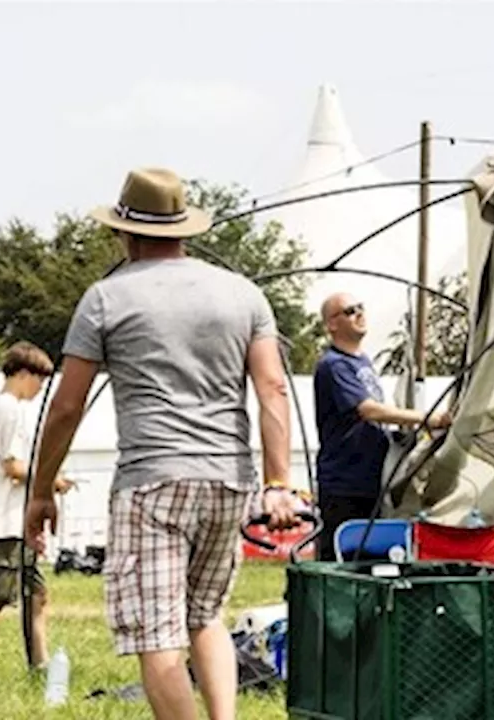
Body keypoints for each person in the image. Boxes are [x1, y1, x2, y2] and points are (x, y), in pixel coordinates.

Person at [25, 167, 301, 720]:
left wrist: (40, 490)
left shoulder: (105, 299)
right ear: (184, 228)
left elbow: (66, 406)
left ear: (124, 232)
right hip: (230, 480)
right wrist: (278, 484)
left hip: (152, 482)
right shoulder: (243, 294)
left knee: (158, 633)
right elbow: (271, 387)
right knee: (205, 616)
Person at [0, 341, 72, 687]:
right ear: (23, 374)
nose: (40, 388)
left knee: (36, 594)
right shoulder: (8, 409)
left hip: (12, 519)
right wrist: (51, 480)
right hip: (1, 519)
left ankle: (40, 663)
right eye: (39, 379)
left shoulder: (4, 408)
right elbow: (13, 466)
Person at [313, 292, 451, 560]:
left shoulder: (362, 362)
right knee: (342, 559)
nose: (359, 314)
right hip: (344, 483)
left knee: (374, 559)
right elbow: (369, 410)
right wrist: (428, 418)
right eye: (350, 311)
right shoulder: (334, 365)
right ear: (331, 324)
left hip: (372, 479)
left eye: (361, 307)